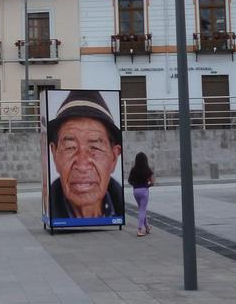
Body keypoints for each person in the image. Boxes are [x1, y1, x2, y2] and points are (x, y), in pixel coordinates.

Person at [47, 90, 124, 221]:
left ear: (114, 158)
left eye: (95, 148)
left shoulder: (120, 207)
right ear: (55, 155)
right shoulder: (48, 209)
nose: (82, 166)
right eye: (70, 148)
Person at [127, 152, 155, 237]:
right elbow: (153, 182)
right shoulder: (147, 169)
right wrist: (147, 185)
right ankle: (139, 229)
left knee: (141, 209)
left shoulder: (133, 169)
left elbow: (129, 181)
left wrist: (135, 186)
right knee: (142, 210)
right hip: (144, 191)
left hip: (136, 191)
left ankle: (147, 227)